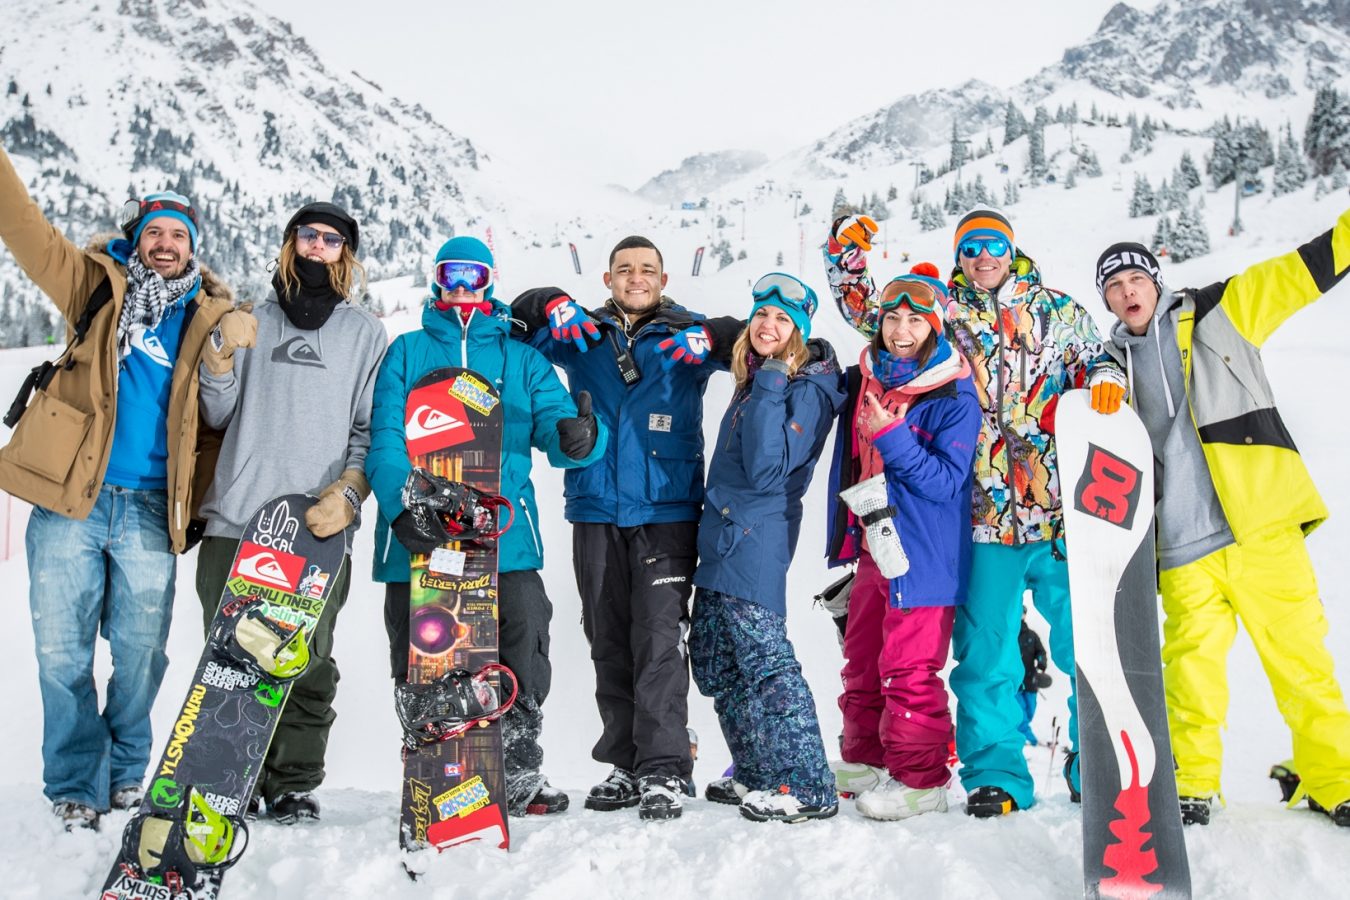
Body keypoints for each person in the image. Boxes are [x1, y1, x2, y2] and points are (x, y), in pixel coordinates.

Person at [829, 208, 1125, 816]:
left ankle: (1096, 760)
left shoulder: (1057, 310)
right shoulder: (946, 311)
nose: (983, 256)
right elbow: (875, 316)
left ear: (1011, 250)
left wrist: (1104, 378)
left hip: (1059, 513)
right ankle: (996, 774)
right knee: (986, 654)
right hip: (981, 519)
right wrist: (845, 260)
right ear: (959, 255)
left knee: (1085, 647)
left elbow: (1098, 356)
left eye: (994, 245)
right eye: (971, 247)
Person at [0, 146, 234, 829]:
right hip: (72, 501)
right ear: (137, 237)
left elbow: (220, 421)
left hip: (151, 511)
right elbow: (25, 229)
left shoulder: (210, 319)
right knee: (60, 653)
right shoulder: (94, 286)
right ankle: (77, 781)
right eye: (154, 231)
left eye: (178, 235)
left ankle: (128, 771)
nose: (165, 243)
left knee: (140, 656)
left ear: (192, 248)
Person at [1094, 217, 1350, 828]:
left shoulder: (1220, 311)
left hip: (1260, 527)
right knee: (1191, 674)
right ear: (1106, 301)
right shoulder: (1106, 365)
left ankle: (1335, 779)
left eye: (1136, 279)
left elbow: (1303, 270)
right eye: (1114, 286)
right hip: (1182, 546)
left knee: (1301, 663)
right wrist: (1100, 384)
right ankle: (1193, 784)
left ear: (1156, 282)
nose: (1128, 292)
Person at [367, 235, 606, 818]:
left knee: (523, 634)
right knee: (425, 648)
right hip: (422, 534)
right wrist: (403, 506)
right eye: (451, 274)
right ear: (437, 279)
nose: (462, 287)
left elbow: (554, 427)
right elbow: (385, 436)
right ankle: (434, 764)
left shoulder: (520, 359)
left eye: (473, 276)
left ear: (490, 281)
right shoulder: (407, 351)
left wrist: (578, 439)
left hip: (504, 535)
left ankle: (517, 769)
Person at [512, 235, 742, 820]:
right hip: (595, 507)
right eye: (624, 269)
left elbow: (756, 339)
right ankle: (625, 764)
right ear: (608, 279)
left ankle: (664, 769)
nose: (636, 277)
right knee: (608, 639)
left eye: (647, 269)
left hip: (667, 511)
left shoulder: (686, 336)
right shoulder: (582, 336)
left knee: (658, 640)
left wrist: (713, 334)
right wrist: (550, 300)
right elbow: (516, 321)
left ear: (663, 280)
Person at [194, 202, 386, 823]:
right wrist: (220, 352)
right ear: (290, 242)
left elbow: (368, 431)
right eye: (309, 235)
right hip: (238, 518)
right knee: (231, 658)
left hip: (316, 528)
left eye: (332, 239)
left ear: (345, 254)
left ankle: (292, 781)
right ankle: (232, 774)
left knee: (308, 658)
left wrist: (349, 493)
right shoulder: (251, 317)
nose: (318, 246)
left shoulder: (365, 333)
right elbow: (216, 413)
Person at [822, 255, 981, 820]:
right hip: (874, 545)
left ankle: (922, 779)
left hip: (925, 555)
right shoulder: (870, 375)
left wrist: (891, 435)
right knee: (862, 659)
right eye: (893, 318)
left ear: (934, 327)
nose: (902, 330)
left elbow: (944, 481)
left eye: (916, 320)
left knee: (908, 669)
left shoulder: (953, 395)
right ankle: (866, 760)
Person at [689, 273, 846, 823]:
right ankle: (757, 770)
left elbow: (764, 469)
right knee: (716, 660)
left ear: (799, 330)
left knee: (765, 663)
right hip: (723, 534)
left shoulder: (803, 387)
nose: (768, 325)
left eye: (783, 319)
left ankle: (807, 784)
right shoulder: (758, 376)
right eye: (761, 314)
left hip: (755, 537)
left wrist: (773, 380)